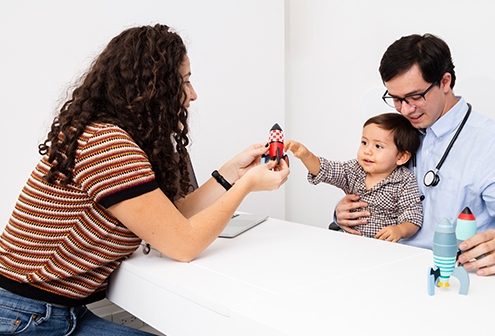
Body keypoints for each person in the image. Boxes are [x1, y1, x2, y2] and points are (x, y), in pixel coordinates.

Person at [0, 24, 290, 335]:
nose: (193, 95)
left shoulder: (102, 135)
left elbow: (171, 219)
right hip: (27, 315)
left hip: (49, 311)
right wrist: (248, 185)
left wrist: (232, 173)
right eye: (185, 81)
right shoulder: (108, 145)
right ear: (154, 88)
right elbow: (184, 244)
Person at [334, 33, 495, 275]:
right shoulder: (394, 132)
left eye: (415, 97)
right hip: (379, 262)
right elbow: (364, 183)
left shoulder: (487, 143)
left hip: (450, 274)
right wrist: (344, 212)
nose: (406, 110)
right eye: (396, 99)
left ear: (445, 82)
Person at [286, 113, 422, 242]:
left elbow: (412, 217)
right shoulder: (355, 169)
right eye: (364, 142)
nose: (367, 151)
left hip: (381, 246)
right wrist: (306, 156)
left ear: (401, 157)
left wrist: (400, 230)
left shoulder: (404, 180)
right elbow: (326, 170)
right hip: (349, 241)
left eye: (378, 146)